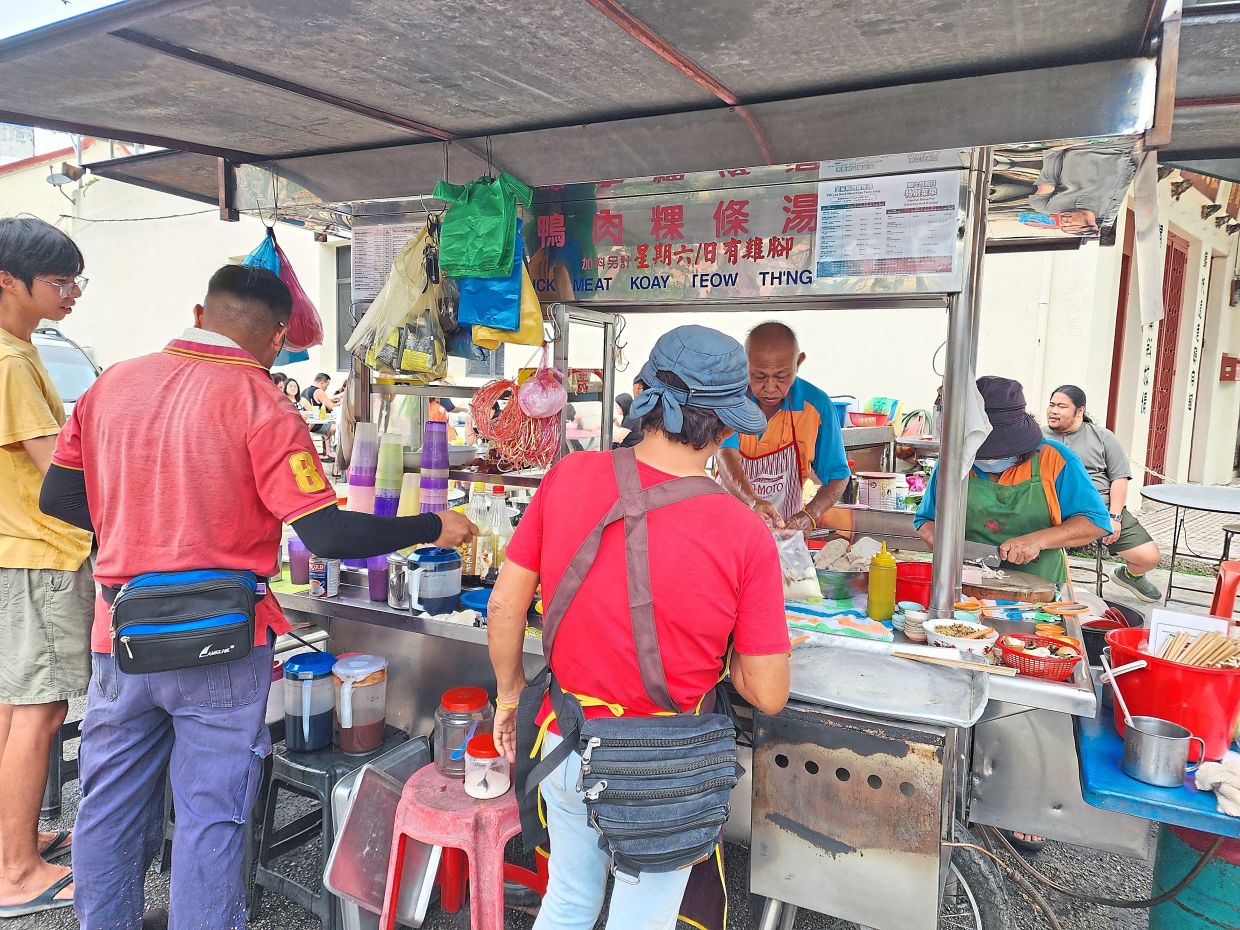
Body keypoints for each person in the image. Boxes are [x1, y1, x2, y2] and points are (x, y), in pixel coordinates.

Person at [39, 264, 477, 930]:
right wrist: (433, 525)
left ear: (199, 310)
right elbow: (327, 532)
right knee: (210, 813)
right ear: (276, 337)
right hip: (220, 643)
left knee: (108, 804)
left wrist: (142, 534)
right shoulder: (259, 400)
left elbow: (60, 497)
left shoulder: (111, 383)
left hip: (121, 633)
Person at [487, 324, 790, 930]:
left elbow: (505, 606)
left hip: (565, 739)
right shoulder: (744, 532)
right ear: (727, 424)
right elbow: (768, 692)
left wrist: (510, 695)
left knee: (569, 897)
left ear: (646, 396)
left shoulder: (568, 475)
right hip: (664, 767)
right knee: (640, 918)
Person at [0, 217, 93, 918]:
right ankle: (16, 870)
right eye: (61, 281)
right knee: (41, 709)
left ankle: (16, 842)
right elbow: (60, 473)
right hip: (39, 554)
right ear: (9, 282)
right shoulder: (12, 361)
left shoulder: (18, 351)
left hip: (17, 553)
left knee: (13, 707)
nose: (72, 293)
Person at [915, 377, 1110, 586]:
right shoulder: (954, 461)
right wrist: (945, 546)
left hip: (1040, 588)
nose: (989, 457)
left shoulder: (1056, 459)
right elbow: (926, 520)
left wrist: (1037, 541)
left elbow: (1094, 522)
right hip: (965, 584)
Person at [717, 321, 850, 536]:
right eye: (759, 376)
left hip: (784, 534)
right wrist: (753, 501)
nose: (770, 388)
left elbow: (838, 474)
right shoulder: (732, 399)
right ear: (744, 364)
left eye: (781, 376)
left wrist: (810, 515)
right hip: (727, 530)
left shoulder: (817, 405)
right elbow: (725, 454)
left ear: (799, 362)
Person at [1045, 385, 1163, 601]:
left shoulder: (1103, 437)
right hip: (1051, 509)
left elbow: (1119, 478)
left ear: (1080, 411)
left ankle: (1131, 576)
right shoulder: (1038, 436)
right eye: (1052, 405)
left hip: (1101, 508)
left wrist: (1115, 517)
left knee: (1149, 557)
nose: (1053, 411)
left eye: (1062, 406)